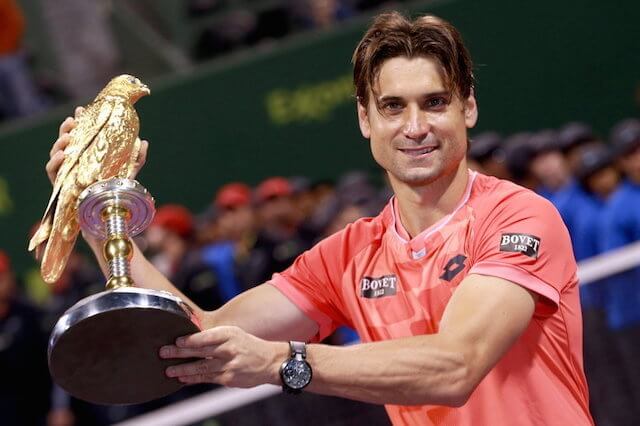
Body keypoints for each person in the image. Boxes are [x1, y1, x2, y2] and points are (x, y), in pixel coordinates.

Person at [46, 12, 592, 425]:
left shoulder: (518, 216)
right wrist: (96, 212)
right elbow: (203, 331)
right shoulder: (348, 254)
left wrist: (287, 362)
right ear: (364, 118)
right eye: (393, 106)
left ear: (467, 108)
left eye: (435, 102)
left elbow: (456, 365)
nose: (416, 126)